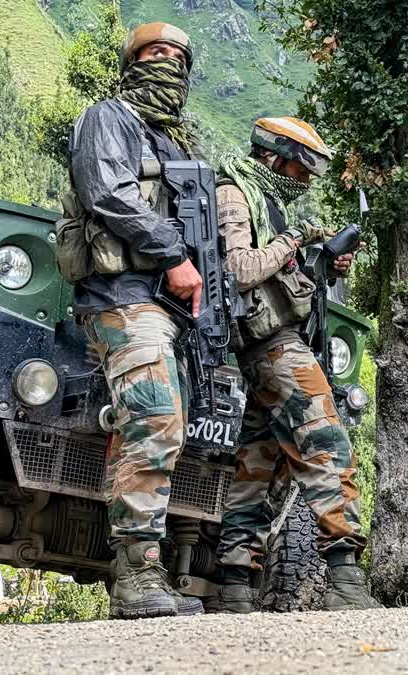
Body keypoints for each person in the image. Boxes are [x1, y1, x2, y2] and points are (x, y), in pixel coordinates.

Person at [213, 117, 380, 613]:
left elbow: (283, 282)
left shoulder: (268, 201)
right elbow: (238, 270)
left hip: (273, 343)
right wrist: (295, 240)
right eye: (302, 168)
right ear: (274, 155)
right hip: (271, 347)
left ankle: (235, 585)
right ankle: (345, 580)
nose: (305, 180)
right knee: (326, 444)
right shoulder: (233, 193)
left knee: (257, 465)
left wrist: (322, 262)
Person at [68, 21, 204, 620]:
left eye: (178, 56)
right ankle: (137, 577)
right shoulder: (108, 118)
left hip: (166, 305)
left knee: (150, 425)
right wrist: (174, 253)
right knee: (154, 416)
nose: (168, 63)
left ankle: (140, 573)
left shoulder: (174, 144)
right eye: (156, 52)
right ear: (132, 61)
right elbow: (107, 192)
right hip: (121, 294)